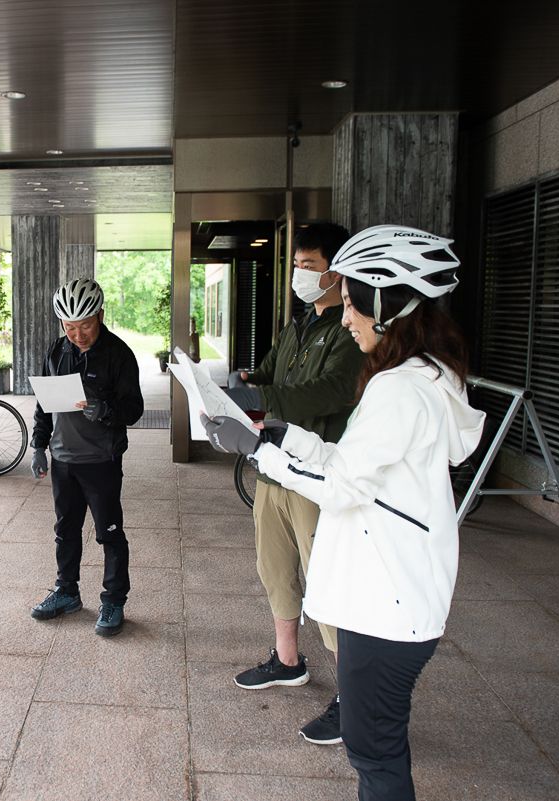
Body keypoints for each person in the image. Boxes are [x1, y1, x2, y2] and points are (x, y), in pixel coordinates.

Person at [203, 224, 485, 801]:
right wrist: (283, 435)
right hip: (400, 594)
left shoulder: (399, 389)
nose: (348, 317)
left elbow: (340, 485)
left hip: (386, 605)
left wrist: (258, 449)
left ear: (386, 306)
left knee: (374, 756)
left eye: (355, 304)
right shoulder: (424, 377)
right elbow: (354, 462)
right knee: (379, 748)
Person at [225, 222, 365, 745]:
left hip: (317, 474)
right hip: (274, 467)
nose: (299, 275)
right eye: (297, 266)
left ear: (337, 272)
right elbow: (270, 373)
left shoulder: (349, 332)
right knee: (275, 567)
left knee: (325, 581)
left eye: (309, 266)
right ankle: (287, 660)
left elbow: (330, 392)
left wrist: (265, 404)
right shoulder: (301, 322)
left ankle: (353, 697)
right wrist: (246, 382)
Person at [28, 277, 144, 636]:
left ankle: (113, 599)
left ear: (101, 316)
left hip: (101, 461)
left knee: (109, 532)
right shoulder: (56, 351)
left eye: (86, 325)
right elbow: (44, 402)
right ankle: (66, 591)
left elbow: (134, 408)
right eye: (69, 327)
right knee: (65, 530)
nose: (78, 334)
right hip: (63, 460)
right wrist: (38, 445)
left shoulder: (118, 354)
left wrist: (104, 409)